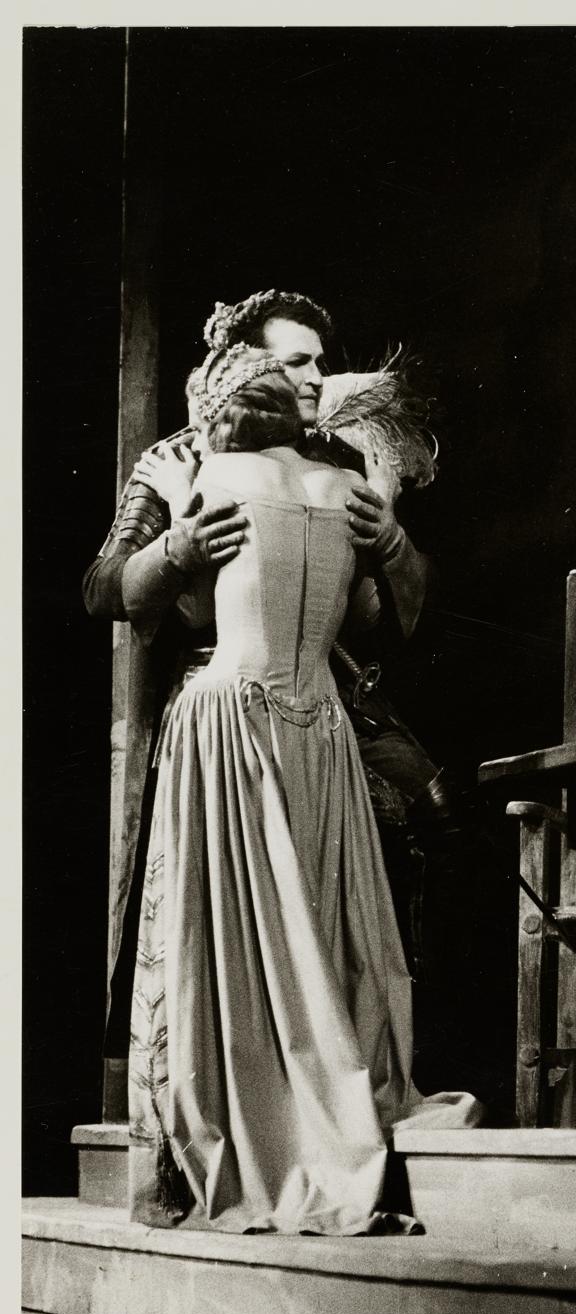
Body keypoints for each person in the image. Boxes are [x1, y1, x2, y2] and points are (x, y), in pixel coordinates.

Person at [85, 289, 482, 1113]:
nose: (316, 378)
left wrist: (391, 542)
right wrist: (177, 546)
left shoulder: (337, 460)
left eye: (320, 363)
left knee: (439, 807)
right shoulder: (177, 460)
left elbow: (387, 619)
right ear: (244, 363)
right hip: (218, 689)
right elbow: (103, 588)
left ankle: (387, 1053)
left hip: (328, 689)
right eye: (296, 362)